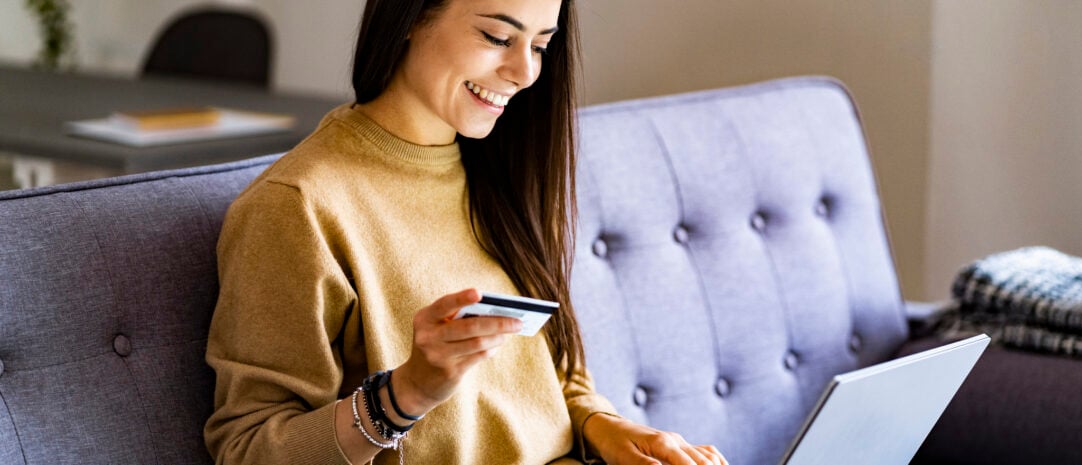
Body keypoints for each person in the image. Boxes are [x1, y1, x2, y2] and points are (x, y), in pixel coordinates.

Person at [204, 0, 729, 464]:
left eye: (541, 45)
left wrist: (604, 427)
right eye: (497, 37)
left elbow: (551, 368)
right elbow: (247, 447)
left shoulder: (500, 169)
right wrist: (402, 397)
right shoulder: (298, 206)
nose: (524, 72)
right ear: (411, 17)